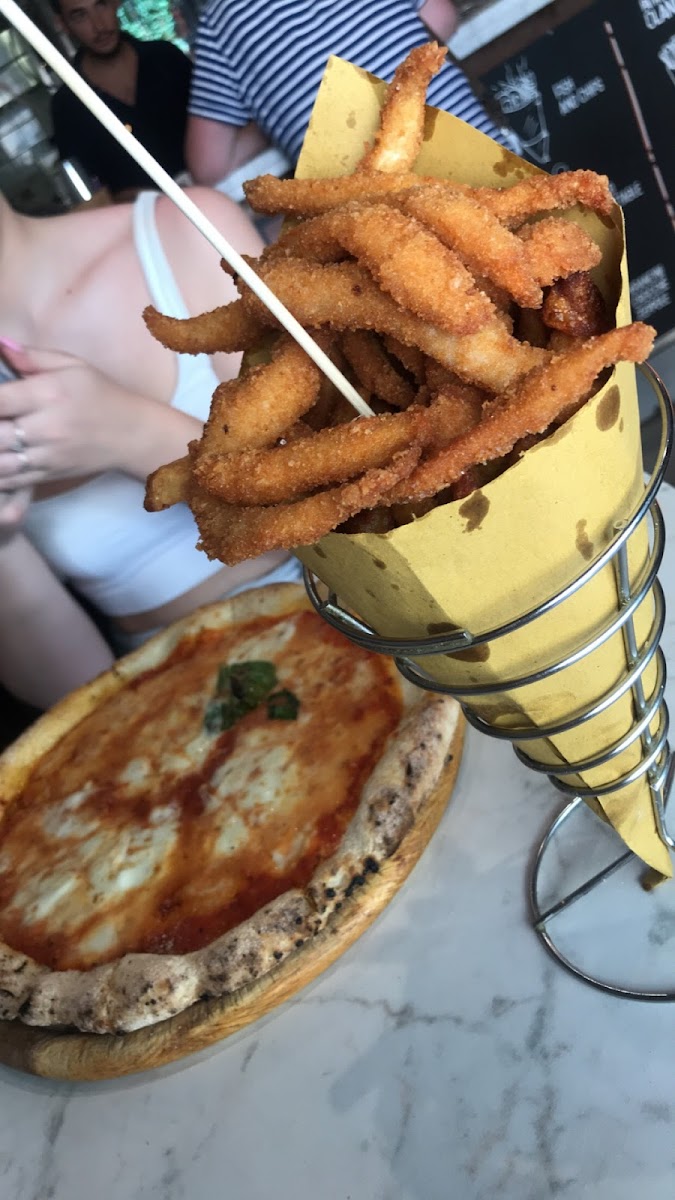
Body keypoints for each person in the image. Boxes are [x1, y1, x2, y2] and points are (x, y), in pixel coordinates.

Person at [0, 185, 300, 712]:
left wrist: (125, 430)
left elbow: (353, 511)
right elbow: (80, 706)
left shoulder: (184, 230)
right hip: (164, 703)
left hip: (353, 611)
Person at [185, 0, 502, 187]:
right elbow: (442, 16)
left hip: (389, 233)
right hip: (487, 167)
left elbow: (208, 164)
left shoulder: (219, 25)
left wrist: (277, 113)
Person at [49, 0, 192, 200]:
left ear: (114, 3)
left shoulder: (167, 58)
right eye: (80, 15)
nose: (99, 26)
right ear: (63, 24)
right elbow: (91, 197)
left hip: (217, 197)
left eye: (101, 5)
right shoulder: (67, 107)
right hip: (145, 225)